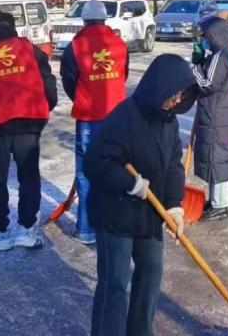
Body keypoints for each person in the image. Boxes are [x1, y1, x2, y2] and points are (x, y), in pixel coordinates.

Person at [84, 55, 197, 336]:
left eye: (182, 95)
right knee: (115, 283)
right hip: (115, 212)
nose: (177, 100)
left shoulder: (169, 121)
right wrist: (130, 183)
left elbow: (173, 165)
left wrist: (174, 205)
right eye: (173, 93)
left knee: (151, 274)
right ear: (159, 86)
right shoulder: (123, 118)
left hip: (150, 212)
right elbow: (94, 163)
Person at [0, 11, 57, 251]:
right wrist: (45, 108)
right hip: (28, 121)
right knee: (28, 176)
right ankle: (26, 229)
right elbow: (48, 83)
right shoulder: (29, 50)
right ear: (12, 28)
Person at [61, 0, 130, 244]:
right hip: (117, 118)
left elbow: (68, 78)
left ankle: (86, 229)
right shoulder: (120, 44)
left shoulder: (76, 45)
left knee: (86, 173)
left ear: (84, 20)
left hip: (89, 118)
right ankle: (114, 226)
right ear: (104, 19)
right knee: (115, 170)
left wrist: (82, 96)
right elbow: (123, 74)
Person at [192, 15, 228, 221]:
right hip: (217, 112)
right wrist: (202, 61)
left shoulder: (220, 56)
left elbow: (208, 84)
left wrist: (195, 68)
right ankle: (216, 200)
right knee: (214, 157)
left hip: (216, 115)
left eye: (205, 36)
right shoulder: (220, 54)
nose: (203, 40)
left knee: (216, 157)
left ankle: (220, 205)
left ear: (214, 35)